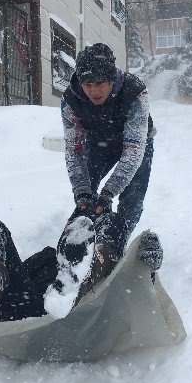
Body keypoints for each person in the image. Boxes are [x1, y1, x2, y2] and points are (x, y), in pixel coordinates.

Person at [0, 212, 164, 322]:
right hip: (25, 304)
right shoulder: (50, 256)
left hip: (75, 310)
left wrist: (147, 263)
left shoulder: (111, 271)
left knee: (113, 220)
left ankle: (74, 285)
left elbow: (134, 288)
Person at [61, 43, 155, 238]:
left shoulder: (135, 92)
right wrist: (82, 193)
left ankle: (119, 238)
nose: (94, 91)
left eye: (100, 84)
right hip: (97, 143)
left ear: (111, 79)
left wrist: (109, 193)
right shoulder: (71, 99)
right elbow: (74, 151)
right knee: (87, 193)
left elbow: (133, 152)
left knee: (132, 197)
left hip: (137, 145)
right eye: (88, 85)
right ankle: (87, 232)